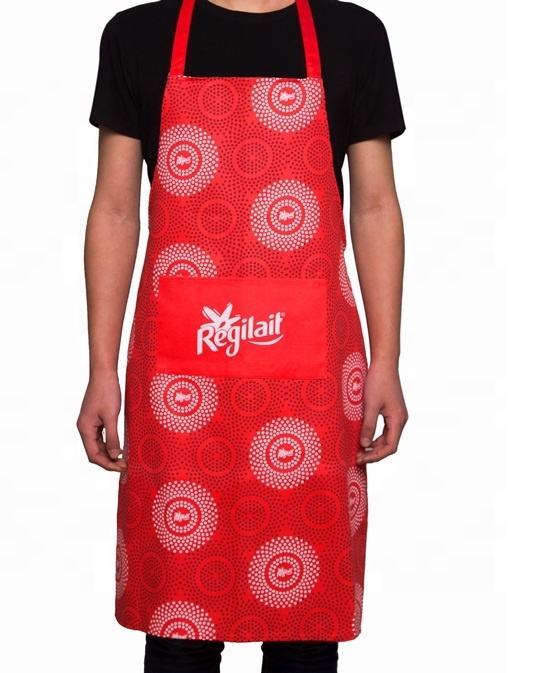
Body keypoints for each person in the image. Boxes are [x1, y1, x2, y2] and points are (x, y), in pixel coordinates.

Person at [76, 0, 408, 671]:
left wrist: (387, 360)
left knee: (306, 615)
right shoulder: (137, 35)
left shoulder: (353, 35)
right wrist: (101, 369)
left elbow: (375, 206)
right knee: (178, 618)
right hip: (181, 379)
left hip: (310, 378)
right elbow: (114, 208)